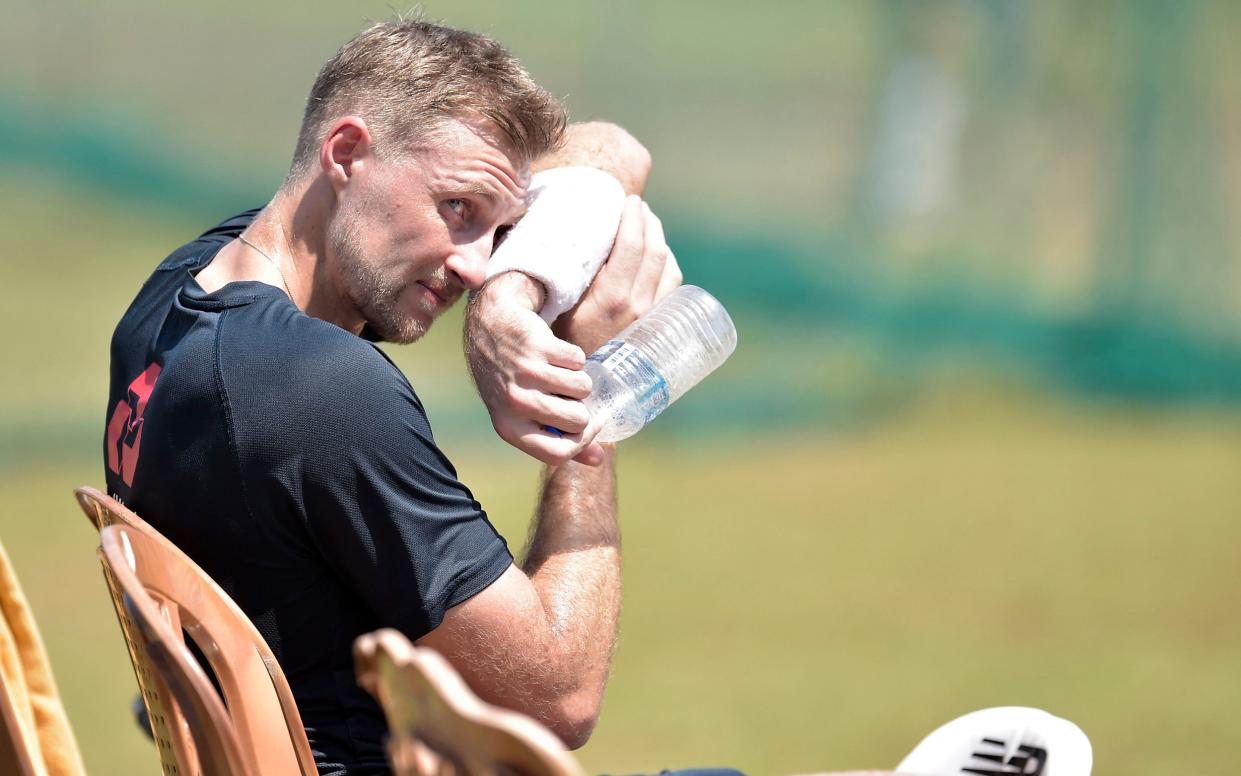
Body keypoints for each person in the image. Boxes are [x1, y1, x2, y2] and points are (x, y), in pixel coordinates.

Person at [103, 16, 674, 774]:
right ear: (346, 154)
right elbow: (558, 697)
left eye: (501, 229)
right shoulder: (317, 392)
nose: (475, 264)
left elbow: (615, 149)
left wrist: (510, 293)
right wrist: (589, 390)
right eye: (456, 210)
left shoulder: (175, 299)